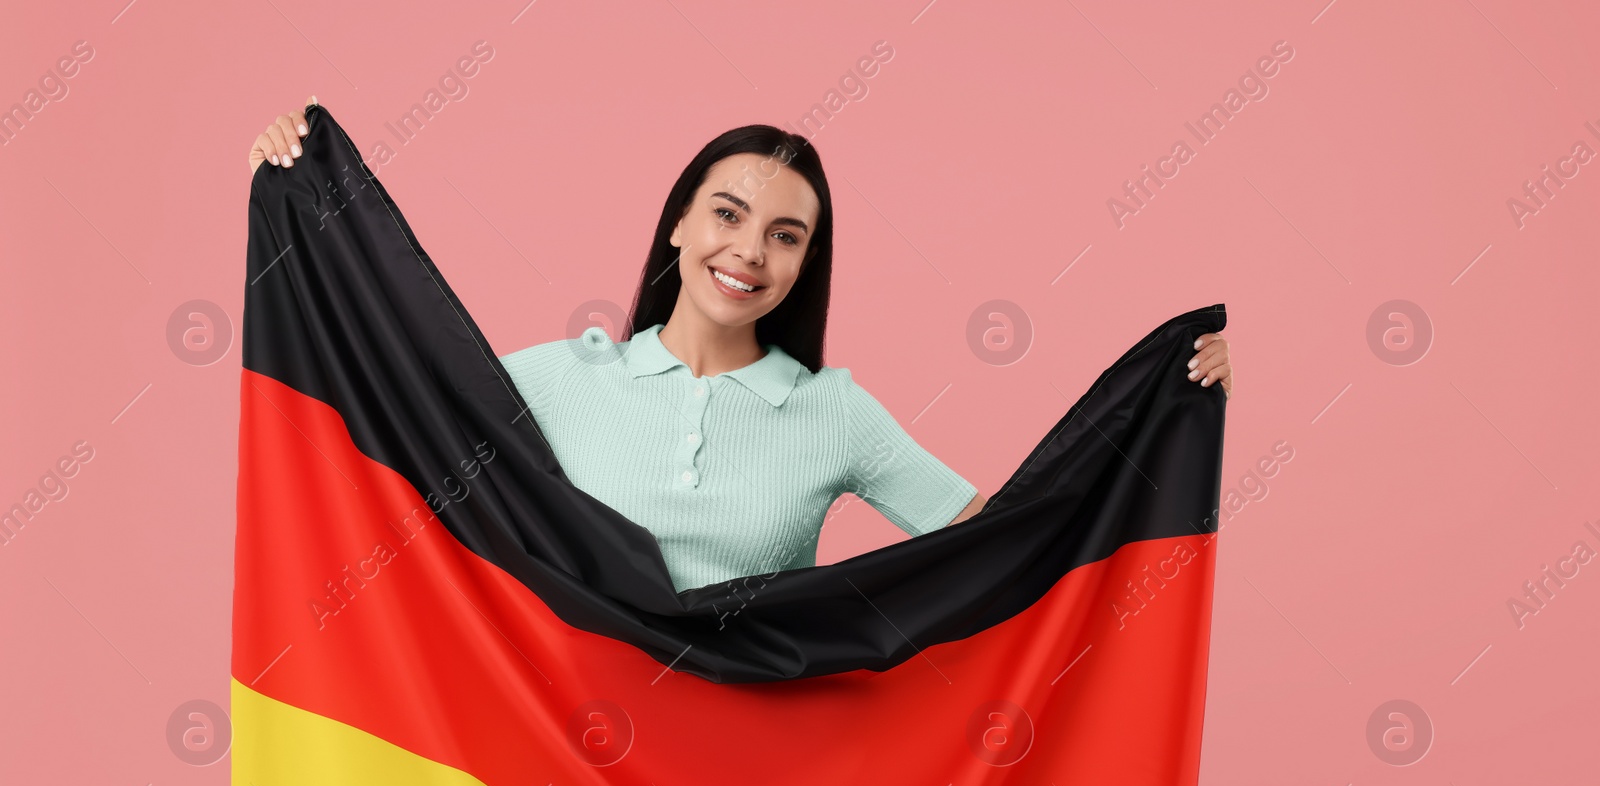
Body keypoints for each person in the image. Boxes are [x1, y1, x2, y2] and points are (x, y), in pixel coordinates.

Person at [249, 97, 1234, 593]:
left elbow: (1014, 541)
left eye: (784, 234)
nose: (748, 252)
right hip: (570, 781)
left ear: (805, 262)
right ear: (678, 224)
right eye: (727, 214)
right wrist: (305, 207)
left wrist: (1161, 419)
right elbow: (387, 418)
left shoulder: (831, 409)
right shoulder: (554, 380)